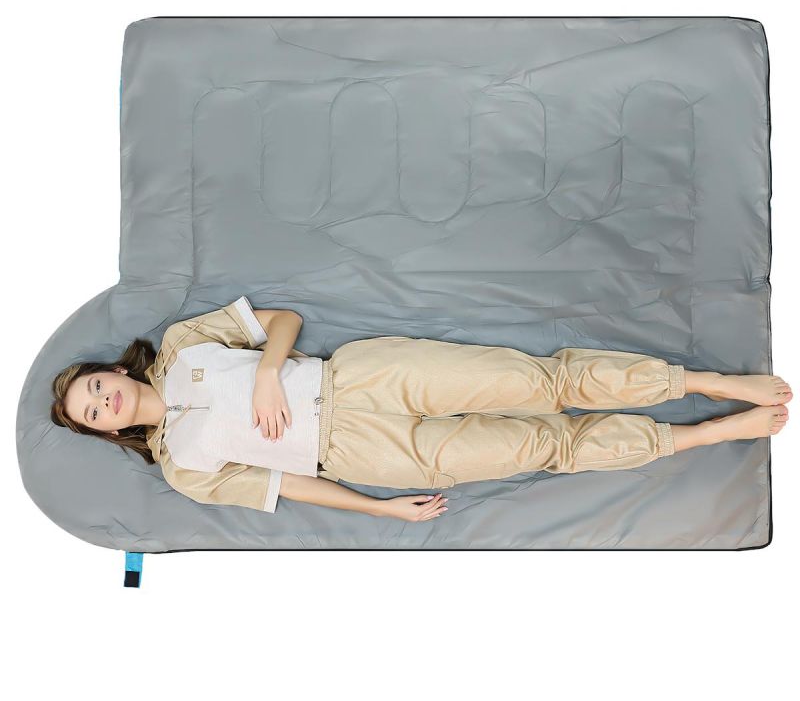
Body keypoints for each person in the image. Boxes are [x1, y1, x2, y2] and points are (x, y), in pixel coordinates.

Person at [51, 296, 792, 523]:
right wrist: (380, 508)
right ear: (109, 431)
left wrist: (269, 374)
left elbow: (283, 320)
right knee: (547, 449)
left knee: (542, 383)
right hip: (360, 455)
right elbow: (291, 485)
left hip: (365, 378)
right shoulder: (184, 469)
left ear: (113, 370)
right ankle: (707, 435)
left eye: (94, 388)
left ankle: (711, 383)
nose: (102, 401)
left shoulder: (184, 343)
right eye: (93, 415)